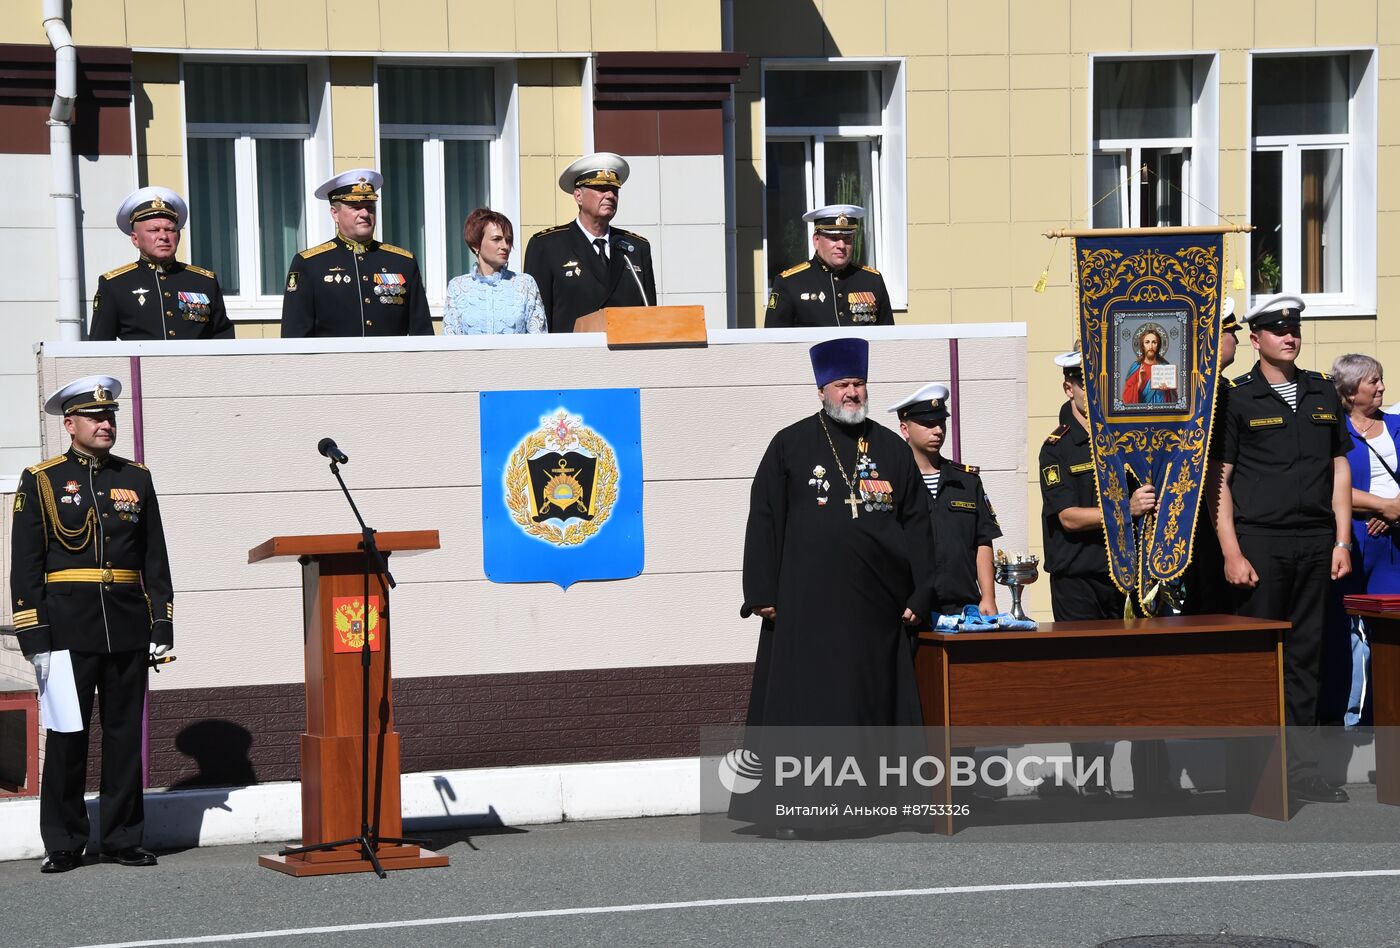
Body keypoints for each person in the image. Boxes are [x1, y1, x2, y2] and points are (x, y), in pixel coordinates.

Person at [731, 338, 936, 836]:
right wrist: (761, 591)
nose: (852, 392)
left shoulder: (890, 448)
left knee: (868, 709)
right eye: (843, 384)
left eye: (858, 383)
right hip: (806, 608)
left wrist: (921, 594)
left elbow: (919, 526)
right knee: (808, 710)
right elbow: (764, 519)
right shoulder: (790, 445)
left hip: (874, 614)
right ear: (822, 388)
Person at [9, 376, 174, 873]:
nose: (107, 424)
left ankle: (123, 838)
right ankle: (63, 841)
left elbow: (155, 559)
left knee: (124, 737)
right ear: (70, 424)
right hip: (65, 627)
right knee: (66, 736)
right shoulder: (43, 479)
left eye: (111, 416)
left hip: (126, 623)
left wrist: (160, 624)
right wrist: (34, 633)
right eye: (96, 417)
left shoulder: (136, 478)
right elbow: (24, 564)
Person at [1212, 294, 1353, 804]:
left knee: (1305, 658)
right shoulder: (1238, 397)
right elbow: (1220, 480)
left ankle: (1303, 771)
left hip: (1316, 542)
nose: (1289, 336)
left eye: (1294, 329)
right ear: (1256, 340)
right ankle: (1251, 775)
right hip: (1261, 544)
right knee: (1255, 663)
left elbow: (1339, 468)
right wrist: (1231, 550)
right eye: (1276, 330)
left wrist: (1342, 539)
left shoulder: (1321, 392)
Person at [1039, 349, 1158, 798]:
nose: (1092, 391)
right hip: (1079, 580)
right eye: (1083, 383)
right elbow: (1068, 516)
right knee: (1086, 683)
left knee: (1132, 678)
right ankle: (1092, 781)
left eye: (1098, 381)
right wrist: (1122, 510)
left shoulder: (1126, 436)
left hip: (1127, 577)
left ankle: (1149, 778)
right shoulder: (1057, 446)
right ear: (1068, 387)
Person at [1329, 353, 1400, 728]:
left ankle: (1386, 715)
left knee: (1391, 632)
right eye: (1374, 381)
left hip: (1394, 542)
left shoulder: (1397, 425)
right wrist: (1383, 506)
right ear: (1350, 390)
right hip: (1352, 538)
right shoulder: (1333, 430)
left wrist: (1394, 513)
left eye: (1381, 379)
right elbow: (1333, 488)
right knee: (1348, 629)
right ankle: (1346, 715)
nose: (1382, 388)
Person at [889, 382, 1000, 616]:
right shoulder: (892, 484)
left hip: (963, 607)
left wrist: (988, 596)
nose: (938, 430)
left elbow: (983, 541)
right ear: (905, 429)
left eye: (941, 422)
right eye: (928, 424)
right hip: (912, 608)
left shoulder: (967, 481)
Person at [280, 169, 432, 337]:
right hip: (332, 362)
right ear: (335, 213)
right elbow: (294, 335)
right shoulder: (309, 263)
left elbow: (422, 332)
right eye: (356, 207)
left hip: (390, 362)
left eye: (370, 207)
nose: (365, 214)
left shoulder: (403, 262)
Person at [522, 152, 656, 333]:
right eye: (601, 189)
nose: (610, 195)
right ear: (578, 196)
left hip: (626, 356)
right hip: (574, 356)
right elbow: (537, 321)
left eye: (614, 190)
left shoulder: (635, 247)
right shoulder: (547, 246)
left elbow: (650, 313)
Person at [89, 187, 233, 341]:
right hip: (142, 365)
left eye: (170, 230)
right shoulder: (115, 285)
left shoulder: (204, 282)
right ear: (135, 239)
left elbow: (223, 338)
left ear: (178, 236)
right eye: (154, 230)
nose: (163, 236)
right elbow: (100, 346)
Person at [1184, 297, 1241, 616]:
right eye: (1231, 333)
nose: (1237, 340)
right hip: (1198, 516)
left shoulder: (1221, 388)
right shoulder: (1199, 391)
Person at [764, 205, 895, 328]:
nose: (842, 245)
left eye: (847, 238)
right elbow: (773, 341)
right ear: (816, 240)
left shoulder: (872, 280)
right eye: (833, 238)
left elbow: (888, 338)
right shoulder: (789, 283)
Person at [443, 208, 546, 335]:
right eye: (496, 239)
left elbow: (538, 340)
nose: (505, 246)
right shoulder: (457, 287)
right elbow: (452, 342)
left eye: (508, 240)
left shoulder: (525, 284)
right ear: (476, 244)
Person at [1120, 324, 1177, 404]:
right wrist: (1139, 383)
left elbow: (1175, 399)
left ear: (1158, 345)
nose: (1150, 346)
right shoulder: (1136, 368)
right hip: (1141, 415)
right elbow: (1126, 398)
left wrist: (1167, 391)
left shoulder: (1165, 367)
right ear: (1142, 345)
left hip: (1162, 414)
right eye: (1147, 342)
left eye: (1154, 342)